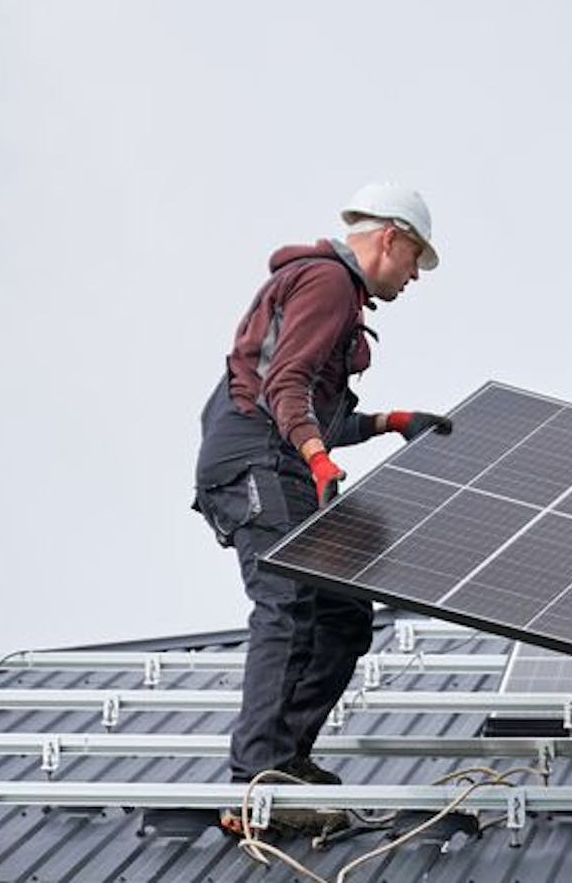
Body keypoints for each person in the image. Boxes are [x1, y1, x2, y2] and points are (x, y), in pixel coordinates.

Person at [192, 183, 454, 829]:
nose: (413, 278)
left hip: (278, 456)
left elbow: (314, 410)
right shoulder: (329, 282)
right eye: (414, 260)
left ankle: (289, 759)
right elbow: (284, 385)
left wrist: (391, 421)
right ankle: (257, 781)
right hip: (254, 459)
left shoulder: (336, 292)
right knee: (285, 601)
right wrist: (316, 459)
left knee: (342, 613)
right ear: (390, 237)